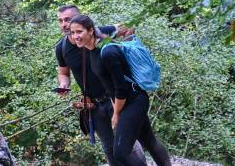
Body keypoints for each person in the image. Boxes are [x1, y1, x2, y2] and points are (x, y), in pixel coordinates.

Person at [69, 14, 172, 166]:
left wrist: (116, 114)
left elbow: (120, 89)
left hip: (134, 100)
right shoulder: (93, 50)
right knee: (148, 139)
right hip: (127, 102)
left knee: (121, 152)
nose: (75, 36)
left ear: (91, 30)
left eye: (79, 32)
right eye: (73, 33)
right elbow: (109, 86)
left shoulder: (108, 52)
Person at [54, 5, 144, 166]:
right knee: (109, 148)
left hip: (115, 99)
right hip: (93, 105)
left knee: (128, 145)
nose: (64, 24)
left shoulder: (100, 33)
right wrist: (63, 84)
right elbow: (63, 73)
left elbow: (129, 26)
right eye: (60, 21)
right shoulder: (61, 48)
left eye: (68, 19)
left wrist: (127, 54)